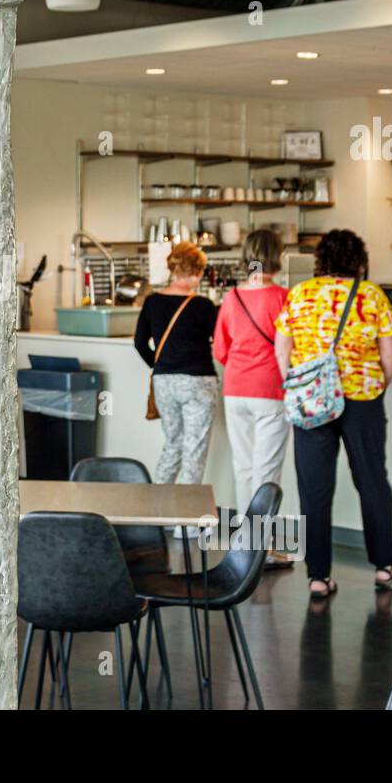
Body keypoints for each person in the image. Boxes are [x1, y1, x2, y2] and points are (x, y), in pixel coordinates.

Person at [274, 229, 392, 598]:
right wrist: (375, 387)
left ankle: (317, 576)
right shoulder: (371, 295)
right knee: (372, 480)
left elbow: (282, 352)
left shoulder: (300, 294)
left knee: (314, 489)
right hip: (362, 400)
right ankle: (383, 565)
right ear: (359, 261)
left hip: (312, 401)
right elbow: (390, 356)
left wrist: (298, 386)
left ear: (320, 261)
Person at [212, 230, 291, 564]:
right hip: (270, 389)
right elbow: (291, 346)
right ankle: (264, 549)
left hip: (235, 389)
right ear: (277, 257)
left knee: (243, 467)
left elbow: (220, 349)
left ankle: (247, 542)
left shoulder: (232, 298)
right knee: (266, 470)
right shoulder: (284, 297)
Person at [134, 242, 219, 486]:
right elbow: (219, 341)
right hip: (198, 382)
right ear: (196, 271)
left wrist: (160, 365)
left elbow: (140, 343)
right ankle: (188, 523)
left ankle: (157, 514)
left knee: (173, 445)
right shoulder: (203, 305)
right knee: (194, 452)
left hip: (164, 383)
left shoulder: (152, 302)